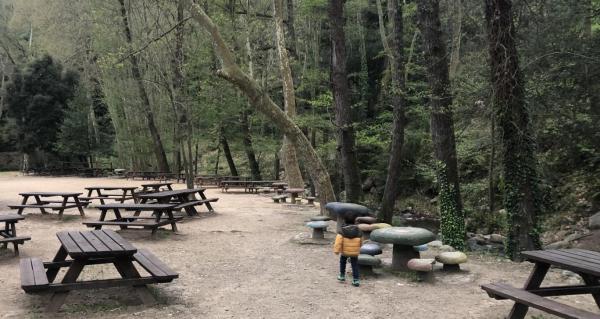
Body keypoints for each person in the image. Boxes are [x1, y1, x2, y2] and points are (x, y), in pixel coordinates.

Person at [333, 214, 362, 287]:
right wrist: (359, 248)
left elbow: (338, 241)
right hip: (354, 252)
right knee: (354, 265)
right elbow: (361, 241)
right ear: (354, 221)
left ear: (345, 220)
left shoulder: (342, 230)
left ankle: (342, 275)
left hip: (344, 252)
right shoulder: (358, 230)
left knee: (342, 262)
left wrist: (337, 250)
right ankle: (356, 280)